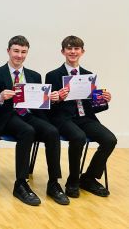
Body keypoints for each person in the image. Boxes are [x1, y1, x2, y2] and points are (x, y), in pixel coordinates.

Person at [0, 36, 69, 206]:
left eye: (23, 52)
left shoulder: (34, 75)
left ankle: (53, 183)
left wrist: (51, 99)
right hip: (7, 117)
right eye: (16, 51)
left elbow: (39, 105)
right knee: (27, 131)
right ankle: (20, 183)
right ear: (8, 51)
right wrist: (0, 97)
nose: (19, 55)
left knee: (52, 131)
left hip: (29, 115)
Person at [45, 35, 116, 198]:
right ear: (63, 51)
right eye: (69, 48)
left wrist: (104, 100)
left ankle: (88, 178)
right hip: (63, 119)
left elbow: (93, 106)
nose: (73, 51)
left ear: (82, 52)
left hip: (85, 118)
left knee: (110, 139)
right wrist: (57, 98)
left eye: (76, 48)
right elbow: (48, 106)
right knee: (78, 137)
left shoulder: (88, 75)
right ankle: (73, 181)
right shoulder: (53, 75)